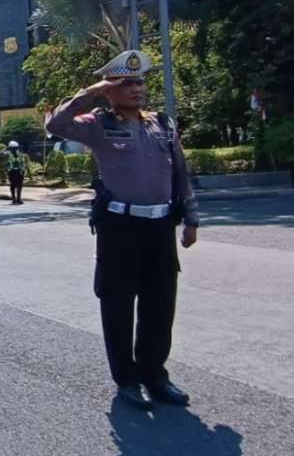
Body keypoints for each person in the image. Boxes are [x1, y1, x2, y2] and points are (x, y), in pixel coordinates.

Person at [46, 49, 199, 411]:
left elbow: (181, 173)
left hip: (160, 226)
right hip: (120, 227)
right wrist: (91, 91)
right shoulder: (97, 124)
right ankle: (127, 380)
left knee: (160, 305)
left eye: (140, 81)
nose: (136, 88)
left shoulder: (162, 124)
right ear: (110, 88)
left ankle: (154, 375)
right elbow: (55, 125)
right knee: (117, 305)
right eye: (125, 82)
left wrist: (191, 218)